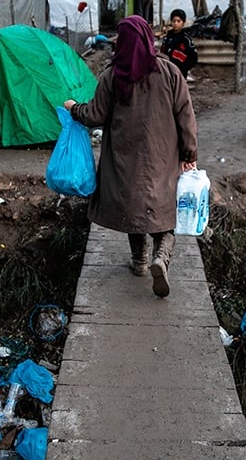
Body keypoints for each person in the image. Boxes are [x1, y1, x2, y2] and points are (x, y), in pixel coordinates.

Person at [63, 15, 198, 298]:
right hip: (163, 157)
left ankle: (139, 262)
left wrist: (75, 108)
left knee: (132, 206)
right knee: (164, 209)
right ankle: (161, 256)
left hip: (125, 159)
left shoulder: (113, 75)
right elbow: (186, 117)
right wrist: (189, 153)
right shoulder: (170, 72)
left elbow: (95, 115)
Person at [160, 9, 198, 79]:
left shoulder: (186, 40)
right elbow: (162, 53)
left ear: (183, 22)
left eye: (178, 21)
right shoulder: (167, 38)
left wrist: (184, 68)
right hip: (167, 72)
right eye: (174, 21)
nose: (176, 23)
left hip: (180, 74)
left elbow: (193, 58)